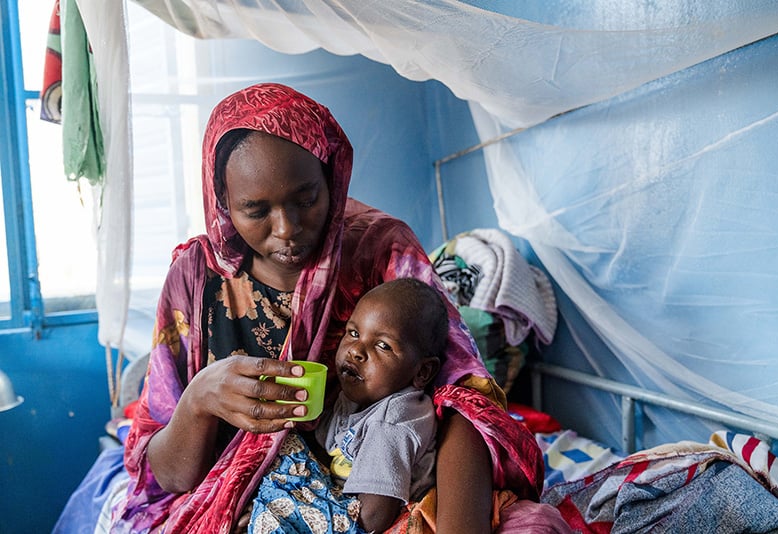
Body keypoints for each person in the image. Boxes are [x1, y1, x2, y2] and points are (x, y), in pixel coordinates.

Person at [106, 82, 571, 534]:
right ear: (223, 202)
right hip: (240, 503)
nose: (286, 228)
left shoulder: (378, 250)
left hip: (377, 499)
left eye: (306, 199)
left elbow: (464, 402)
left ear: (332, 178)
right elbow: (169, 476)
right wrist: (201, 398)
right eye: (255, 210)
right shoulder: (195, 279)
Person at [249, 277, 447, 533]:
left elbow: (373, 518)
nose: (356, 351)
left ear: (423, 372)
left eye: (383, 345)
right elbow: (322, 453)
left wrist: (290, 514)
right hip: (341, 497)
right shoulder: (357, 394)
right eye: (353, 333)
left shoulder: (392, 420)